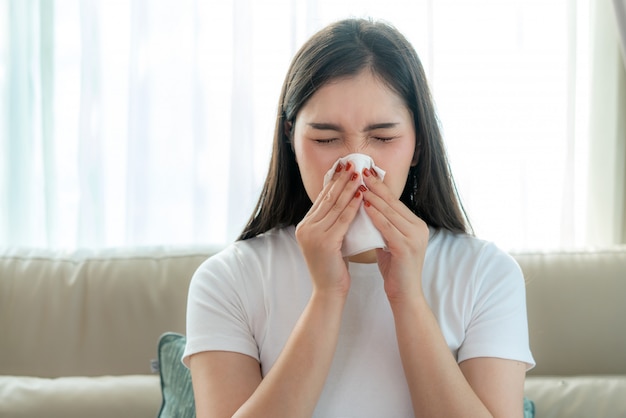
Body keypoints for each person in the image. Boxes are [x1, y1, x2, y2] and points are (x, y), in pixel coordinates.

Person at [183, 17, 534, 418]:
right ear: (290, 139)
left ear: (418, 145)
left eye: (383, 138)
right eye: (325, 139)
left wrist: (408, 298)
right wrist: (327, 296)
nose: (355, 166)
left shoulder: (486, 274)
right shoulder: (228, 280)